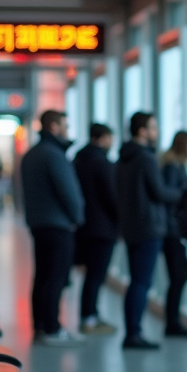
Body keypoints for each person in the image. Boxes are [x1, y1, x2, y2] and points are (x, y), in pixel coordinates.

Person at [20, 109, 86, 347]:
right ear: (54, 127)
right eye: (65, 126)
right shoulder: (55, 155)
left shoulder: (32, 154)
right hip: (58, 225)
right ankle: (52, 327)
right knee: (56, 277)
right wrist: (77, 218)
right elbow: (69, 193)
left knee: (42, 276)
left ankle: (40, 326)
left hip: (38, 224)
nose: (68, 131)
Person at [115, 111, 167, 351]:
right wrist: (182, 193)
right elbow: (159, 192)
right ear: (143, 131)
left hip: (131, 226)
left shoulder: (124, 157)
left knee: (136, 281)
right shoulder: (146, 158)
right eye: (154, 128)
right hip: (148, 227)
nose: (156, 133)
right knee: (142, 282)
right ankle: (134, 333)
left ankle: (132, 331)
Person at [73, 123, 119, 335]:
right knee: (96, 275)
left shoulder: (78, 160)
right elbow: (112, 197)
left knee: (91, 275)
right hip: (103, 228)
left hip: (84, 226)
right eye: (110, 138)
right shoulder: (102, 163)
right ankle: (89, 317)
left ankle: (89, 315)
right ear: (102, 138)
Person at [159, 131, 187, 338]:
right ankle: (172, 322)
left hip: (173, 230)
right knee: (179, 274)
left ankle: (173, 320)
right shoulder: (173, 167)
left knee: (180, 274)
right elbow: (167, 193)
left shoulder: (177, 165)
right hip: (172, 231)